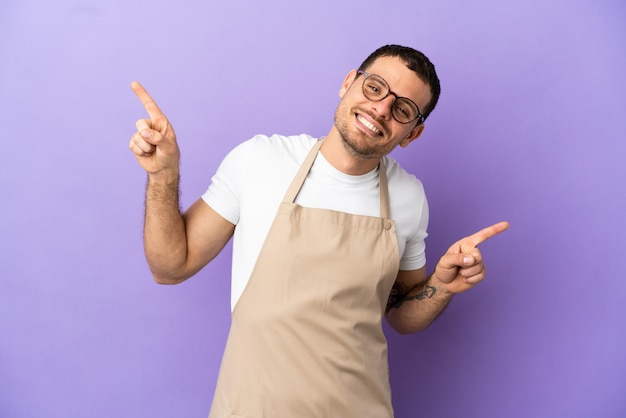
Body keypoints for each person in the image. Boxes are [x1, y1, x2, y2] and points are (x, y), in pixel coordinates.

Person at [128, 44, 509, 418]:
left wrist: (442, 286)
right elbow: (170, 267)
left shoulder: (409, 198)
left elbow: (400, 316)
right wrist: (164, 175)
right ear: (348, 83)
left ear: (412, 133)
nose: (380, 109)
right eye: (375, 87)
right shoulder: (261, 160)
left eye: (402, 109)